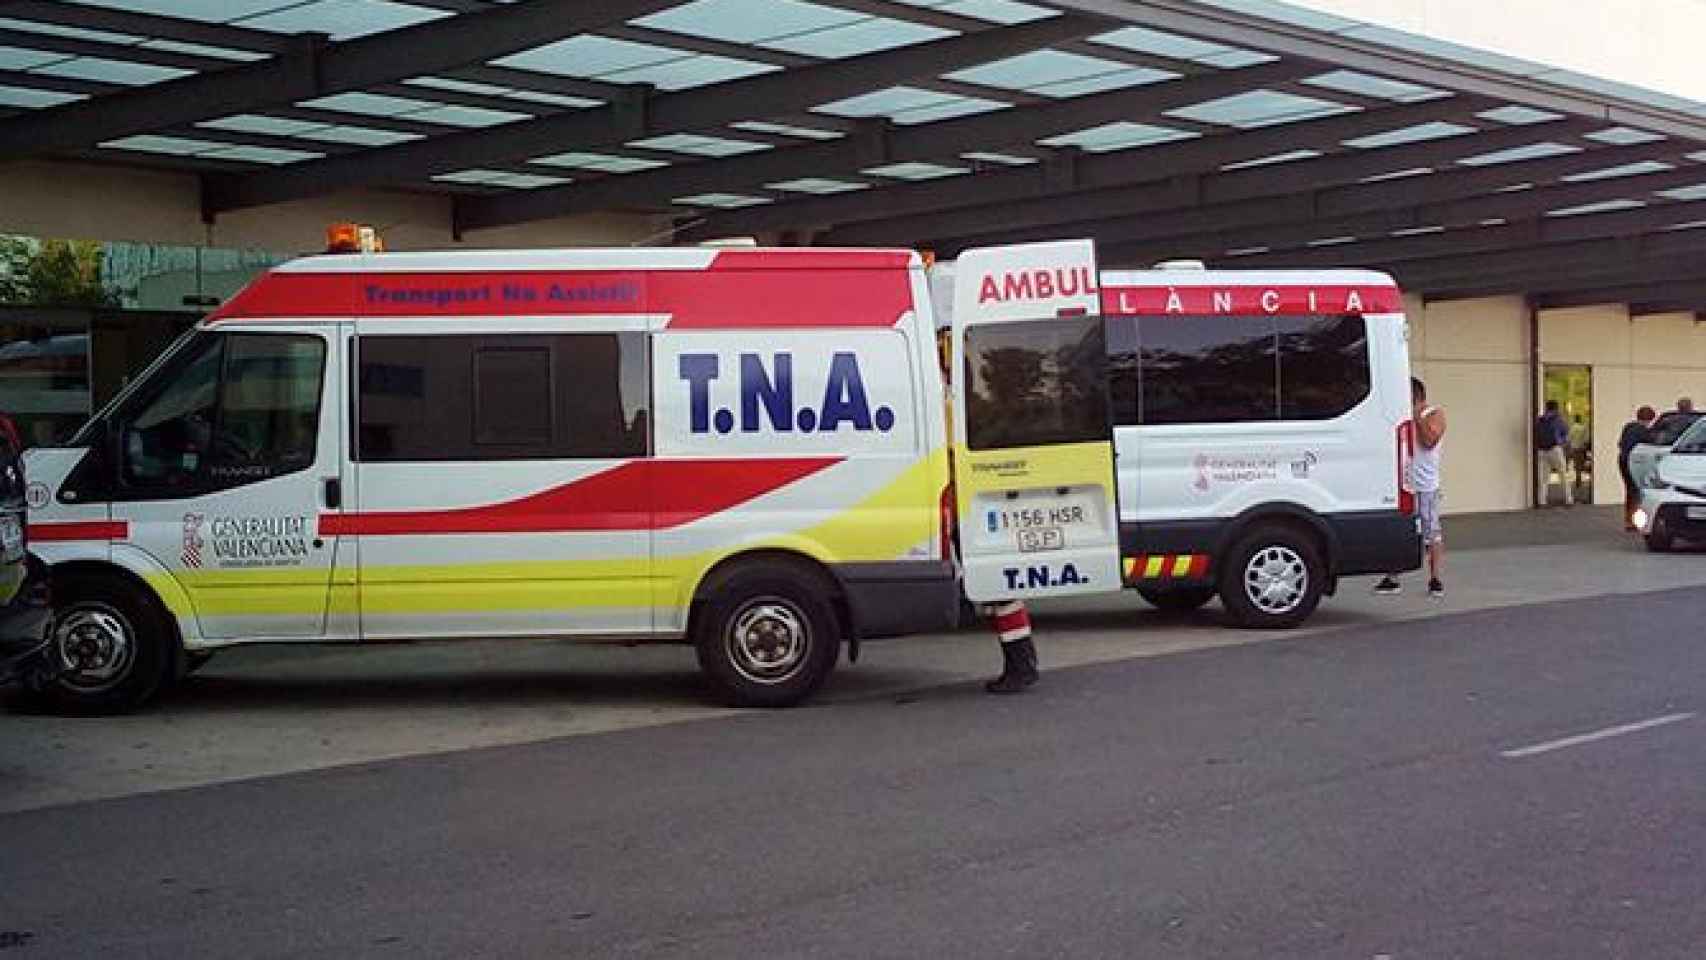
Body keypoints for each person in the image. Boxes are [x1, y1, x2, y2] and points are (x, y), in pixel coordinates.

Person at [935, 327, 1039, 694]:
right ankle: (1022, 661)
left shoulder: (948, 406)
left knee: (996, 586)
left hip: (967, 506)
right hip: (968, 503)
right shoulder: (959, 402)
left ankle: (1021, 664)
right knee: (996, 585)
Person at [1375, 377, 1447, 598]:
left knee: (1430, 531)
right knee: (1398, 529)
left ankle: (1435, 579)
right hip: (1404, 483)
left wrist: (1416, 415)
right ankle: (1392, 576)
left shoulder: (1435, 414)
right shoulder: (1401, 416)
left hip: (1426, 486)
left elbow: (1429, 441)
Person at [1618, 405, 1657, 531]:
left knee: (1629, 490)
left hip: (1623, 460)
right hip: (1636, 462)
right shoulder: (1645, 431)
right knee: (1638, 492)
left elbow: (1620, 443)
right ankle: (1637, 521)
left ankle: (1628, 520)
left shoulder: (1628, 427)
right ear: (1650, 419)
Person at [1535, 400, 1573, 507]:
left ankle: (1542, 500)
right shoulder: (1558, 420)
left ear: (1547, 408)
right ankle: (1568, 499)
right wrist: (1565, 445)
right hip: (1555, 449)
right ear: (1556, 408)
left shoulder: (1540, 420)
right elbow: (1565, 434)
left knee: (1543, 477)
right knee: (1563, 474)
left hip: (1542, 450)